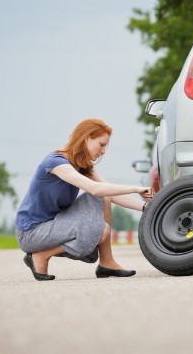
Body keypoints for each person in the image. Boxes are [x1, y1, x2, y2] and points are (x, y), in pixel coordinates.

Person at [15, 118, 154, 281]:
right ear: (87, 138)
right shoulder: (56, 163)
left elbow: (110, 192)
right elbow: (96, 189)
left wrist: (147, 207)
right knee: (101, 230)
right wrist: (136, 188)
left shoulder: (83, 166)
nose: (104, 151)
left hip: (54, 224)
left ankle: (107, 263)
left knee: (104, 205)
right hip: (31, 232)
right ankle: (41, 256)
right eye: (101, 144)